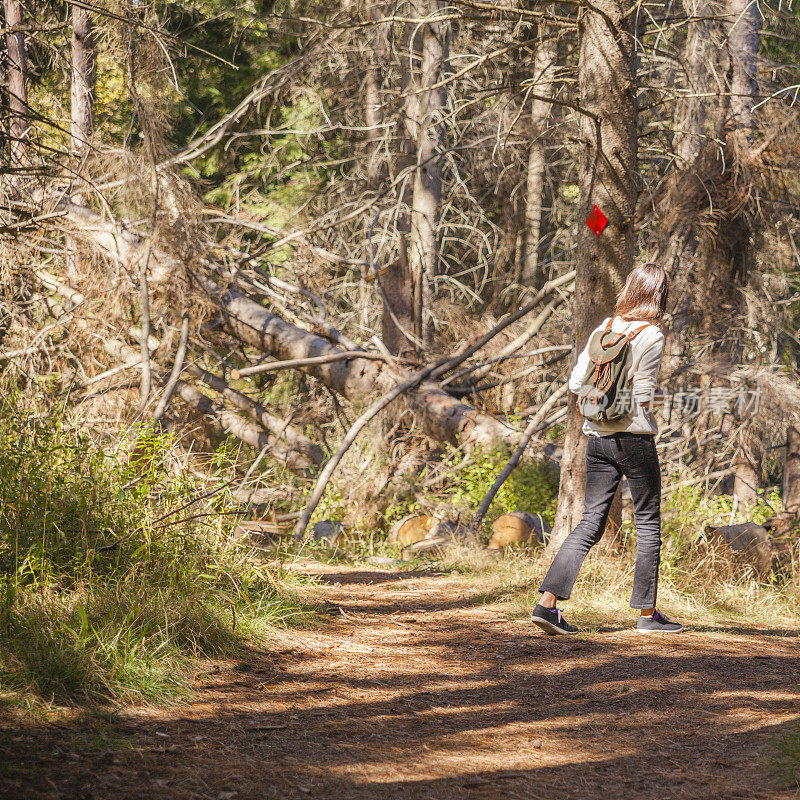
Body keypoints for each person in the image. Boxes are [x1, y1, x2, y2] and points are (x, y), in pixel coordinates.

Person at [531, 262, 684, 635]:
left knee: (589, 522)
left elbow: (575, 382)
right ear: (659, 295)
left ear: (630, 290)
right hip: (634, 440)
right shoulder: (652, 335)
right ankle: (647, 617)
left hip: (597, 438)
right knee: (648, 522)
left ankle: (547, 605)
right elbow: (644, 394)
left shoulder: (605, 328)